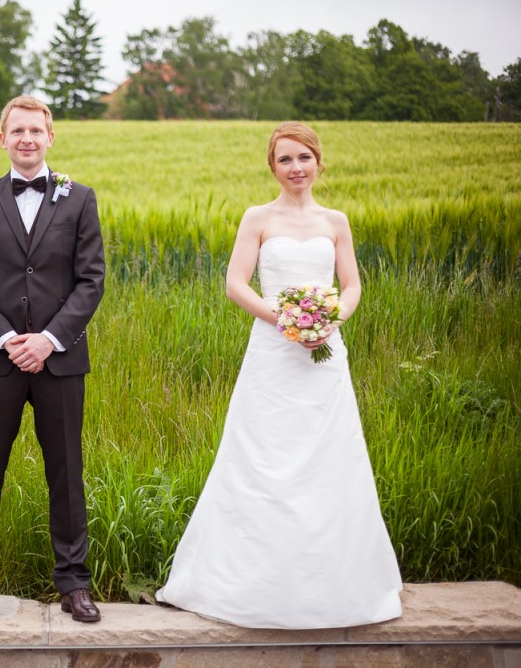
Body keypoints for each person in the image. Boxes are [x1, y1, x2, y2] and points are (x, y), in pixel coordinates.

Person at [155, 121, 403, 629]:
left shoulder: (336, 220)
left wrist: (331, 320)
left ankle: (337, 585)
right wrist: (285, 320)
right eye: (285, 160)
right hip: (272, 353)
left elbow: (352, 284)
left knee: (328, 459)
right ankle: (244, 584)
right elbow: (234, 284)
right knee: (261, 458)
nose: (296, 168)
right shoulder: (257, 218)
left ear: (319, 163)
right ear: (273, 166)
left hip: (324, 356)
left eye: (304, 158)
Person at [0, 96, 106, 623]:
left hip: (59, 361)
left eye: (36, 130)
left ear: (50, 138)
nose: (27, 139)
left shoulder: (78, 199)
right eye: (18, 131)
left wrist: (49, 339)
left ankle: (75, 585)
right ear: (2, 139)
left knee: (66, 474)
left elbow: (91, 281)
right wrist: (8, 338)